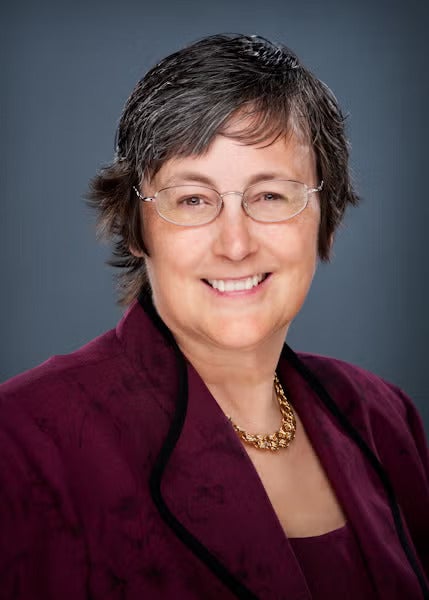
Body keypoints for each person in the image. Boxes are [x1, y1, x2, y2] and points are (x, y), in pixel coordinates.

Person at [0, 33, 428, 600]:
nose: (234, 244)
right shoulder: (22, 442)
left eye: (271, 196)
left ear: (326, 215)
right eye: (192, 200)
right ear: (136, 226)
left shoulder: (383, 418)